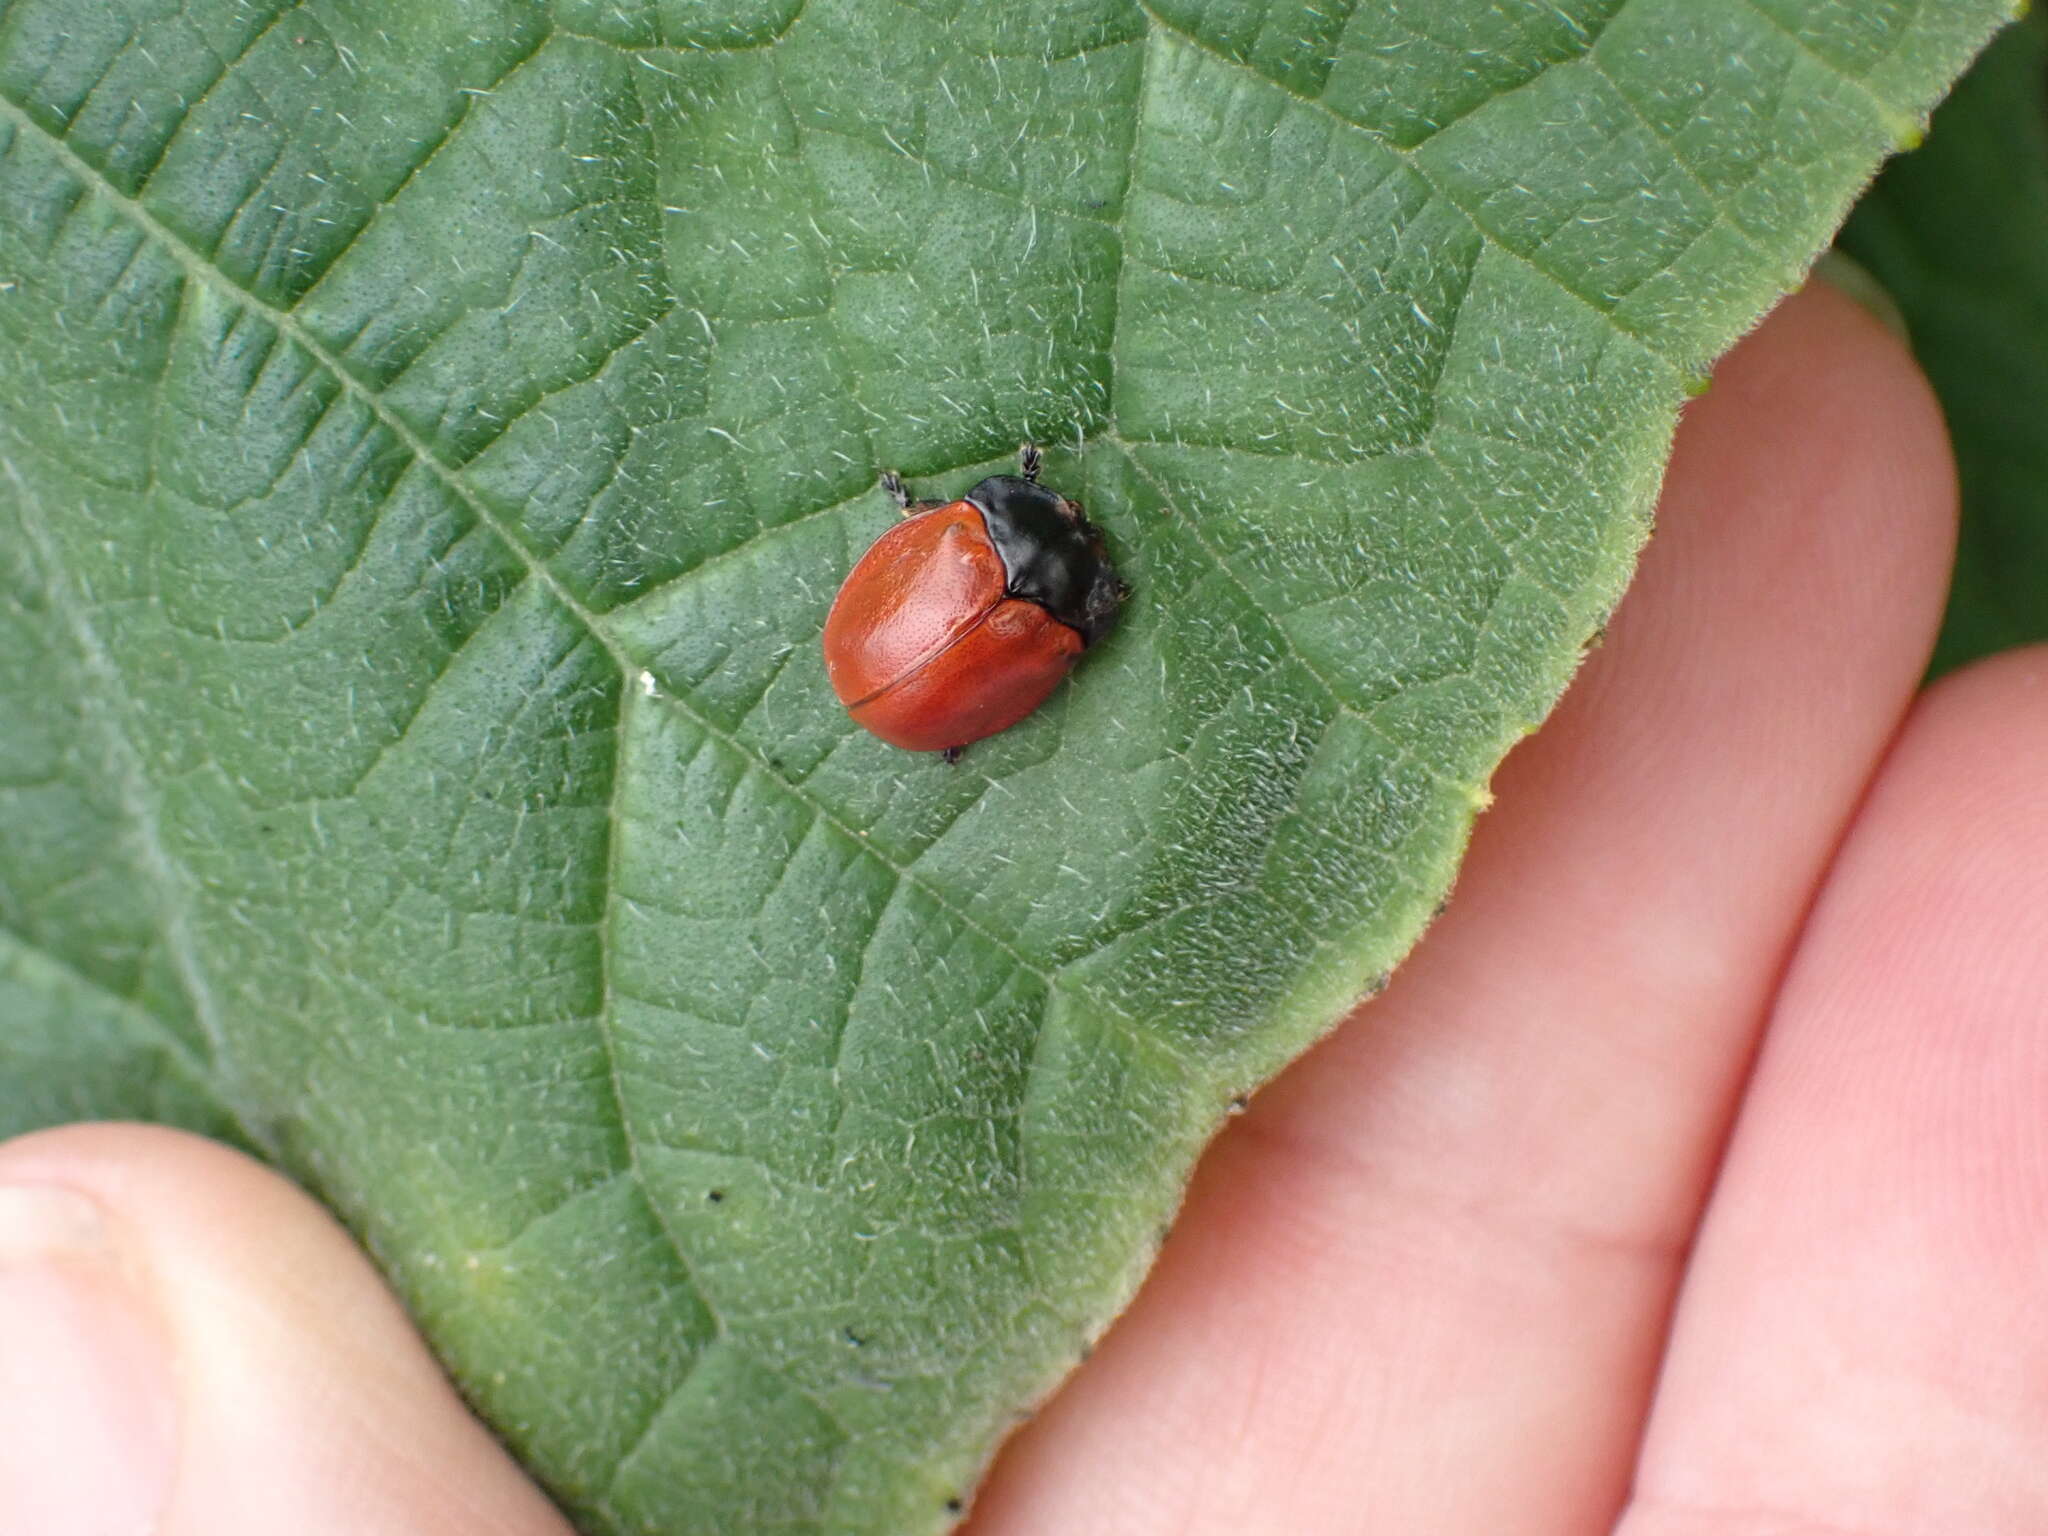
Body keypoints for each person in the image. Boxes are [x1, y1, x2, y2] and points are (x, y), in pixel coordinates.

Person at [4, 280, 2043, 1534]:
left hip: (902, 679)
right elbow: (1019, 605)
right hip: (907, 679)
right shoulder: (1020, 573)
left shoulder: (988, 565)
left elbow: (990, 609)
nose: (1042, 536)